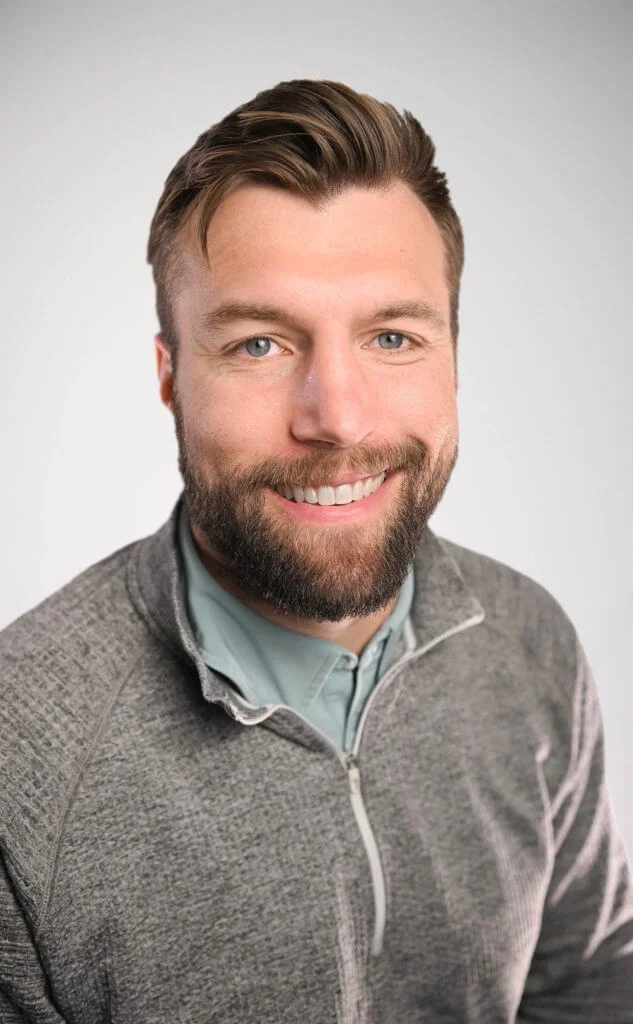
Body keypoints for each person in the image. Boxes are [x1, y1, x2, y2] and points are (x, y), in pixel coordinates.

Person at [1, 78, 632, 1024]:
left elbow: (582, 980)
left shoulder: (530, 643)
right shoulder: (20, 751)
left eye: (391, 336)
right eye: (259, 344)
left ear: (453, 355)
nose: (336, 419)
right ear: (171, 377)